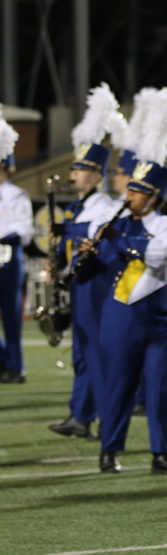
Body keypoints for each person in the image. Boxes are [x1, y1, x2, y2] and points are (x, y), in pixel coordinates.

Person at [76, 88, 167, 475]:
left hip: (160, 320)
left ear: (154, 196)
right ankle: (109, 450)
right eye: (131, 188)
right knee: (117, 386)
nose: (130, 195)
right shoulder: (110, 224)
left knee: (160, 391)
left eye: (139, 191)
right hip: (120, 316)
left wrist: (120, 242)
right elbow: (92, 270)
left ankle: (161, 453)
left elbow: (162, 254)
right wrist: (84, 257)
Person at [48, 112, 122, 439]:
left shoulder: (102, 205)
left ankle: (97, 416)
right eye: (74, 167)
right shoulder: (77, 207)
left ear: (95, 175)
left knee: (94, 351)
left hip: (95, 283)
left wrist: (67, 234)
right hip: (79, 283)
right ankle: (80, 413)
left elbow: (93, 241)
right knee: (81, 351)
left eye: (79, 169)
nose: (73, 173)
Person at [0, 118, 34, 383]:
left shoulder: (17, 195)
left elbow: (24, 230)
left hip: (8, 255)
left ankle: (15, 366)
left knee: (11, 314)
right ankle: (3, 360)